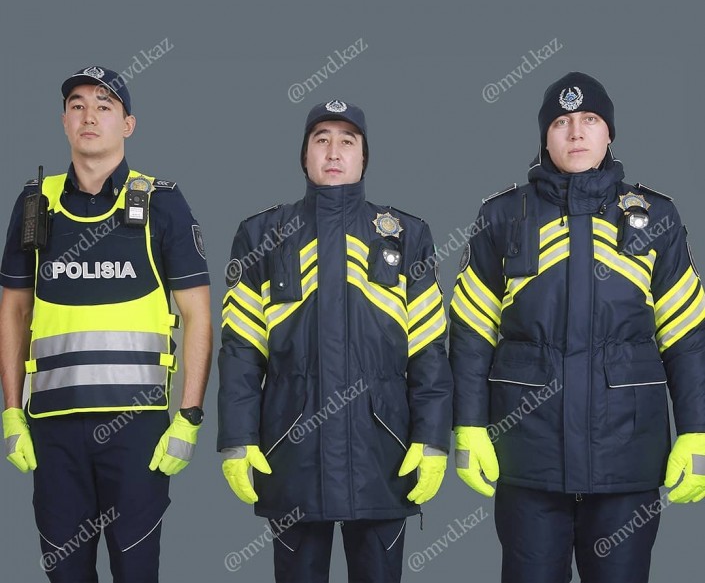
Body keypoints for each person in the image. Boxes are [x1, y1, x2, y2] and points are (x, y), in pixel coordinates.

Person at [449, 72, 705, 582]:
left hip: (627, 458)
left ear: (609, 132)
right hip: (527, 455)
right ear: (545, 137)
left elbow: (687, 338)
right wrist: (468, 426)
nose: (576, 132)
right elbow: (470, 333)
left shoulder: (656, 217)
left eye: (590, 119)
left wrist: (697, 431)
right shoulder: (503, 216)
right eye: (561, 122)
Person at [218, 99, 452, 583]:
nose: (333, 151)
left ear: (364, 156)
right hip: (291, 448)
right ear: (303, 154)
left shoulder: (407, 235)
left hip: (384, 449)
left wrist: (432, 439)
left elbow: (429, 350)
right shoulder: (262, 234)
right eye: (321, 139)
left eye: (348, 141)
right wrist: (238, 439)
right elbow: (240, 351)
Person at [0, 66, 212, 583]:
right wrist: (10, 412)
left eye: (104, 105)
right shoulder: (35, 203)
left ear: (128, 124)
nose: (89, 116)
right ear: (64, 121)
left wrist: (189, 416)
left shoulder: (162, 202)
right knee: (65, 572)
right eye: (77, 105)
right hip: (53, 429)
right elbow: (14, 311)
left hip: (136, 432)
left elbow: (199, 315)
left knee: (135, 570)